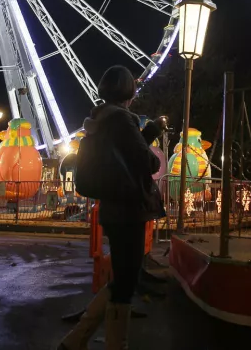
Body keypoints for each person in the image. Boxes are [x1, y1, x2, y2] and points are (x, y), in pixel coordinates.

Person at [58, 65, 166, 350]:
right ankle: (106, 343)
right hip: (129, 209)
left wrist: (147, 134)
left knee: (123, 277)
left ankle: (77, 340)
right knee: (125, 282)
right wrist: (152, 138)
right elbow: (146, 162)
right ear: (128, 92)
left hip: (112, 207)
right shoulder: (121, 119)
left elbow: (123, 155)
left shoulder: (99, 121)